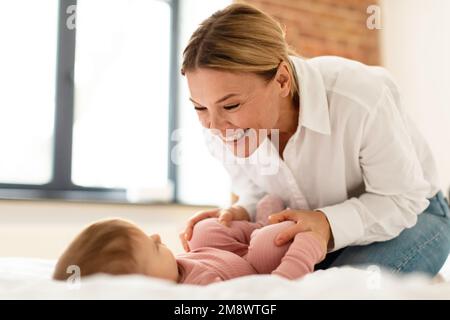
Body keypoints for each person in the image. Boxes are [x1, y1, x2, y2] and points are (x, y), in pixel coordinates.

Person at [179, 3, 450, 276]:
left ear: (282, 80)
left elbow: (402, 199)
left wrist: (326, 222)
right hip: (311, 234)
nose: (214, 127)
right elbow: (261, 192)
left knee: (332, 291)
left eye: (231, 105)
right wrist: (241, 211)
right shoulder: (218, 129)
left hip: (414, 215)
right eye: (199, 107)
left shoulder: (359, 97)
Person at [53, 196, 325, 285]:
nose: (156, 236)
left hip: (222, 254)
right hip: (254, 268)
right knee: (271, 242)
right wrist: (301, 256)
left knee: (204, 231)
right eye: (151, 246)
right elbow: (267, 295)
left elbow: (206, 251)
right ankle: (287, 234)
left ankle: (258, 225)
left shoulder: (170, 269)